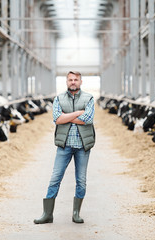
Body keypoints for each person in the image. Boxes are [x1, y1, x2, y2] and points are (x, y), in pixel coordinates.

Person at [34, 71, 95, 224]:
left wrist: (66, 117)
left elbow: (87, 119)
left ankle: (76, 213)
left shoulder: (89, 98)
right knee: (55, 178)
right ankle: (47, 214)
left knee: (81, 180)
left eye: (76, 79)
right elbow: (57, 119)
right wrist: (77, 113)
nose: (73, 82)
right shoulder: (59, 98)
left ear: (81, 82)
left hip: (82, 146)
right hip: (64, 145)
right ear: (66, 82)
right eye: (70, 80)